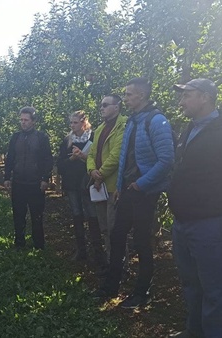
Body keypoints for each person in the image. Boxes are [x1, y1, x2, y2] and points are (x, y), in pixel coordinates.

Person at [168, 79, 222, 338]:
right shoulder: (189, 129)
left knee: (215, 289)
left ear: (205, 97)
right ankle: (194, 331)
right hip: (183, 222)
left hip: (209, 224)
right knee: (191, 284)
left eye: (187, 96)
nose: (181, 102)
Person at [93, 77, 175, 309]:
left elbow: (166, 160)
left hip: (145, 193)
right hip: (128, 191)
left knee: (141, 241)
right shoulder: (132, 122)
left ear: (141, 95)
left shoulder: (157, 121)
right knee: (117, 236)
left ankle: (142, 292)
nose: (126, 98)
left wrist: (142, 183)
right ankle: (111, 287)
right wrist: (120, 186)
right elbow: (124, 159)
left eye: (129, 95)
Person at [56, 111, 104, 263]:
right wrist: (72, 158)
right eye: (71, 122)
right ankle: (81, 250)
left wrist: (83, 157)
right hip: (72, 183)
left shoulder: (94, 138)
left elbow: (100, 159)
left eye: (75, 122)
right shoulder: (67, 141)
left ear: (84, 123)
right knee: (77, 215)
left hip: (88, 183)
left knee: (92, 215)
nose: (72, 125)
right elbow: (60, 164)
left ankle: (98, 251)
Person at [86, 94, 127, 268]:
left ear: (116, 107)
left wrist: (100, 174)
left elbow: (117, 155)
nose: (101, 108)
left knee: (114, 228)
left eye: (105, 105)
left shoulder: (124, 125)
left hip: (113, 186)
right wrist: (91, 170)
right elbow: (92, 154)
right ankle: (111, 262)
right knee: (104, 227)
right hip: (99, 185)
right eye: (100, 105)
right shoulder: (100, 129)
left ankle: (119, 265)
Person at [3, 107, 53, 249]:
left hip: (35, 184)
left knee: (37, 216)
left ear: (33, 121)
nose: (23, 123)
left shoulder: (41, 138)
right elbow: (10, 158)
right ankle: (19, 243)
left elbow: (47, 159)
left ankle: (39, 245)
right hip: (18, 183)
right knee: (18, 215)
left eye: (26, 120)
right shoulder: (15, 137)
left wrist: (45, 178)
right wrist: (7, 177)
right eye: (21, 120)